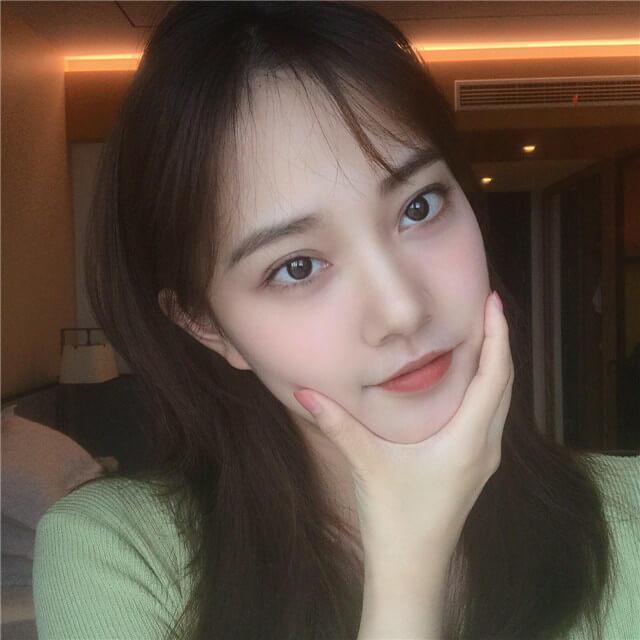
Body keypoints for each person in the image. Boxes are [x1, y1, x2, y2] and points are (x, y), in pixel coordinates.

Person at [32, 2, 639, 639]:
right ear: (207, 326)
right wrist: (409, 566)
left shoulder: (629, 518)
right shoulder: (118, 558)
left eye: (419, 206)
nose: (403, 310)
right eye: (297, 267)